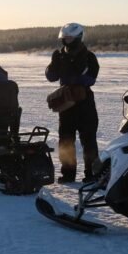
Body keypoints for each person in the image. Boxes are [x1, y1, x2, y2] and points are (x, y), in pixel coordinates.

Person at [45, 22, 100, 183]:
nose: (67, 41)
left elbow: (91, 79)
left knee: (88, 140)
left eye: (70, 38)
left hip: (84, 103)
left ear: (78, 37)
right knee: (66, 141)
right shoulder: (59, 55)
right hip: (66, 104)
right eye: (65, 38)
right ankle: (68, 174)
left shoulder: (89, 57)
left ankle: (92, 175)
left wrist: (72, 77)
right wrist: (53, 66)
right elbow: (51, 76)